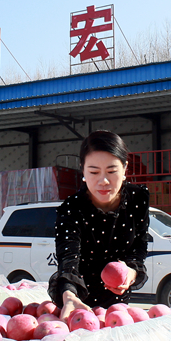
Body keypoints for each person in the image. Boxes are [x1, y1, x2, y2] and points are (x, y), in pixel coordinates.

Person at [48, 130, 150, 321]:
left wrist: (132, 271)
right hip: (78, 308)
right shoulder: (71, 209)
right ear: (83, 171)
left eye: (111, 171)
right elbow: (68, 259)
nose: (103, 181)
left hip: (118, 310)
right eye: (94, 172)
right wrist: (69, 296)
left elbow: (139, 245)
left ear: (125, 169)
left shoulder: (138, 199)